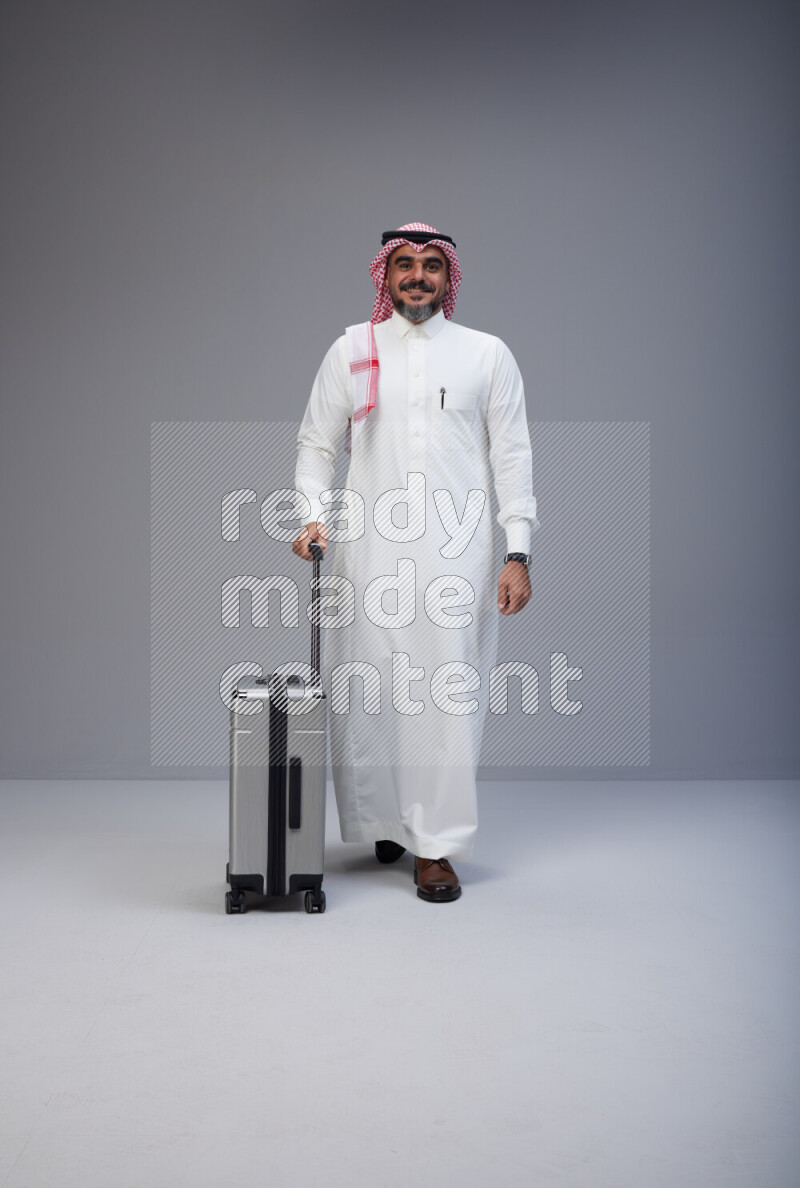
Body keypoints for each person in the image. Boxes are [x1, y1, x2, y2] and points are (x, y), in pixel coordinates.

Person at [292, 222, 539, 903]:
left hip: (456, 557)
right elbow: (317, 442)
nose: (418, 276)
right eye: (405, 264)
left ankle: (437, 848)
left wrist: (518, 550)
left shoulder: (486, 356)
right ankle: (385, 822)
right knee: (369, 692)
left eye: (432, 265)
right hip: (368, 552)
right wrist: (312, 511)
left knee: (444, 700)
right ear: (385, 274)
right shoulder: (354, 347)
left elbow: (512, 458)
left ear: (449, 276)